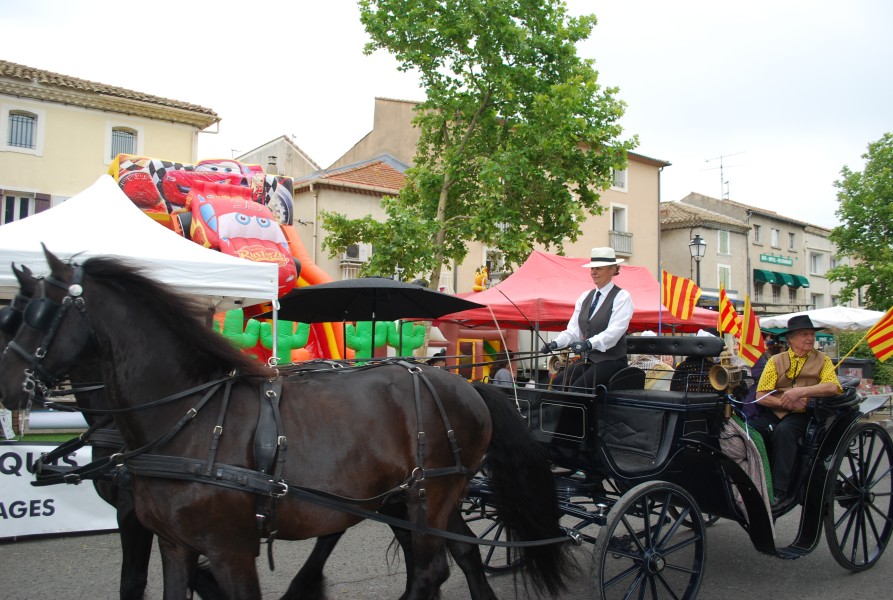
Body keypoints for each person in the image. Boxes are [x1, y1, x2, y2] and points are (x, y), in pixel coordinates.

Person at [751, 315, 842, 506]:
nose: (810, 338)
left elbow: (832, 387)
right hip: (778, 410)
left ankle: (779, 490)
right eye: (804, 334)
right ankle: (751, 481)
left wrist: (802, 391)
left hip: (806, 413)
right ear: (790, 339)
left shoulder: (822, 360)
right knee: (749, 431)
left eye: (811, 334)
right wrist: (785, 402)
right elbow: (762, 394)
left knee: (785, 432)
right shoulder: (776, 360)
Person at [540, 247, 634, 391]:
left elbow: (614, 332)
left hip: (612, 360)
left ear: (612, 269)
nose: (594, 272)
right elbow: (573, 331)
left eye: (598, 268)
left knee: (578, 390)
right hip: (589, 360)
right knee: (558, 382)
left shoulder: (622, 297)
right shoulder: (585, 297)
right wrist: (554, 344)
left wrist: (589, 344)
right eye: (592, 268)